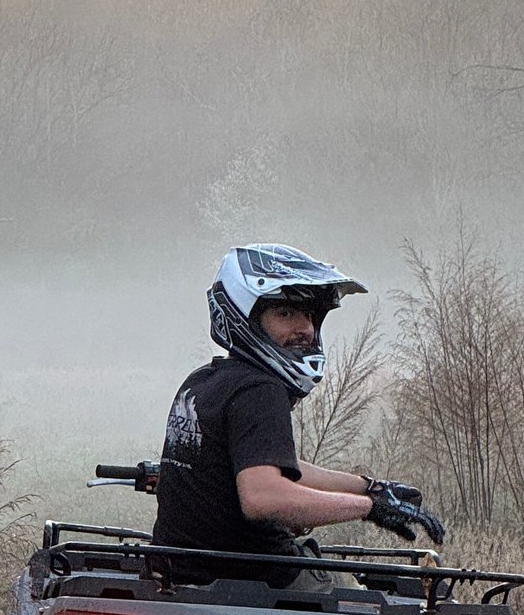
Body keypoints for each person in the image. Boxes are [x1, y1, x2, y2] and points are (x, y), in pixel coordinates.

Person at [153, 244, 445, 580]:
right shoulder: (259, 390)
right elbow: (262, 495)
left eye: (308, 315)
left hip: (180, 575)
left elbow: (270, 466)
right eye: (286, 313)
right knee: (366, 598)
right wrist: (368, 509)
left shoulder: (204, 381)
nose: (305, 328)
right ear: (245, 316)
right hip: (259, 580)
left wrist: (369, 487)